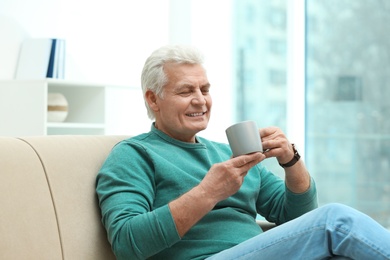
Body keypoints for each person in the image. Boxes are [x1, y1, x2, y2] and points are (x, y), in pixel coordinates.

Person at [96, 45, 390, 260]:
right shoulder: (133, 155)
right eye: (186, 92)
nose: (201, 100)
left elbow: (296, 216)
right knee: (333, 221)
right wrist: (209, 192)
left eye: (205, 89)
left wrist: (291, 160)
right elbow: (126, 243)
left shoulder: (228, 154)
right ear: (153, 99)